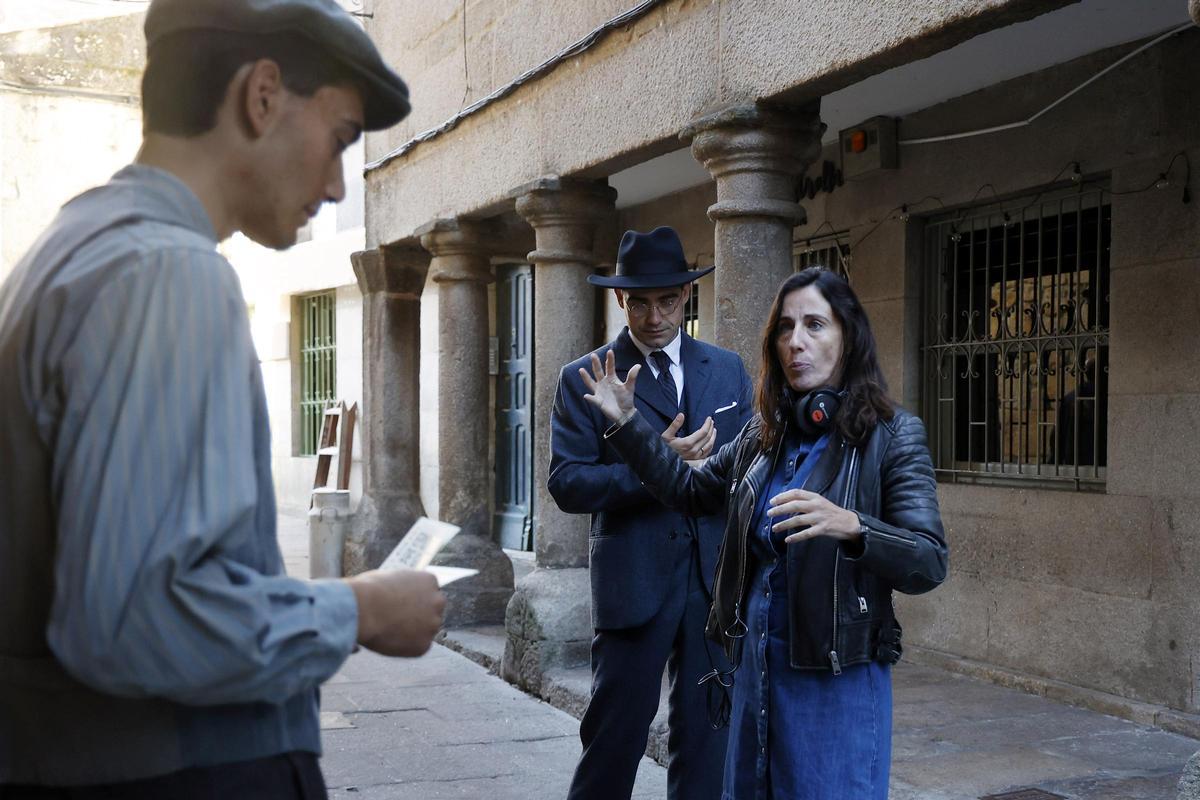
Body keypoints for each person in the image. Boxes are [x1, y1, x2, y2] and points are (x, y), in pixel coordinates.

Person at [0, 1, 445, 796]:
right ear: (262, 95)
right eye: (341, 138)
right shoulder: (164, 273)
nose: (339, 180)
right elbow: (132, 618)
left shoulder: (67, 254)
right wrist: (360, 611)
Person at [579, 267, 948, 800]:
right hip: (753, 672)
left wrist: (853, 526)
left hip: (833, 679)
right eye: (785, 327)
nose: (796, 342)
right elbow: (687, 489)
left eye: (816, 325)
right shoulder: (762, 433)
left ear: (849, 338)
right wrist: (627, 426)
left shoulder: (891, 437)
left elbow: (929, 560)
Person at [551, 226, 754, 800]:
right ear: (622, 300)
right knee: (613, 743)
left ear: (686, 296)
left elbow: (742, 473)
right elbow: (567, 484)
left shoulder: (727, 369)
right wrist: (653, 464)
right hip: (633, 581)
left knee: (707, 743)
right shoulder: (587, 376)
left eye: (667, 300)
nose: (655, 316)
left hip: (714, 584)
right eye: (639, 302)